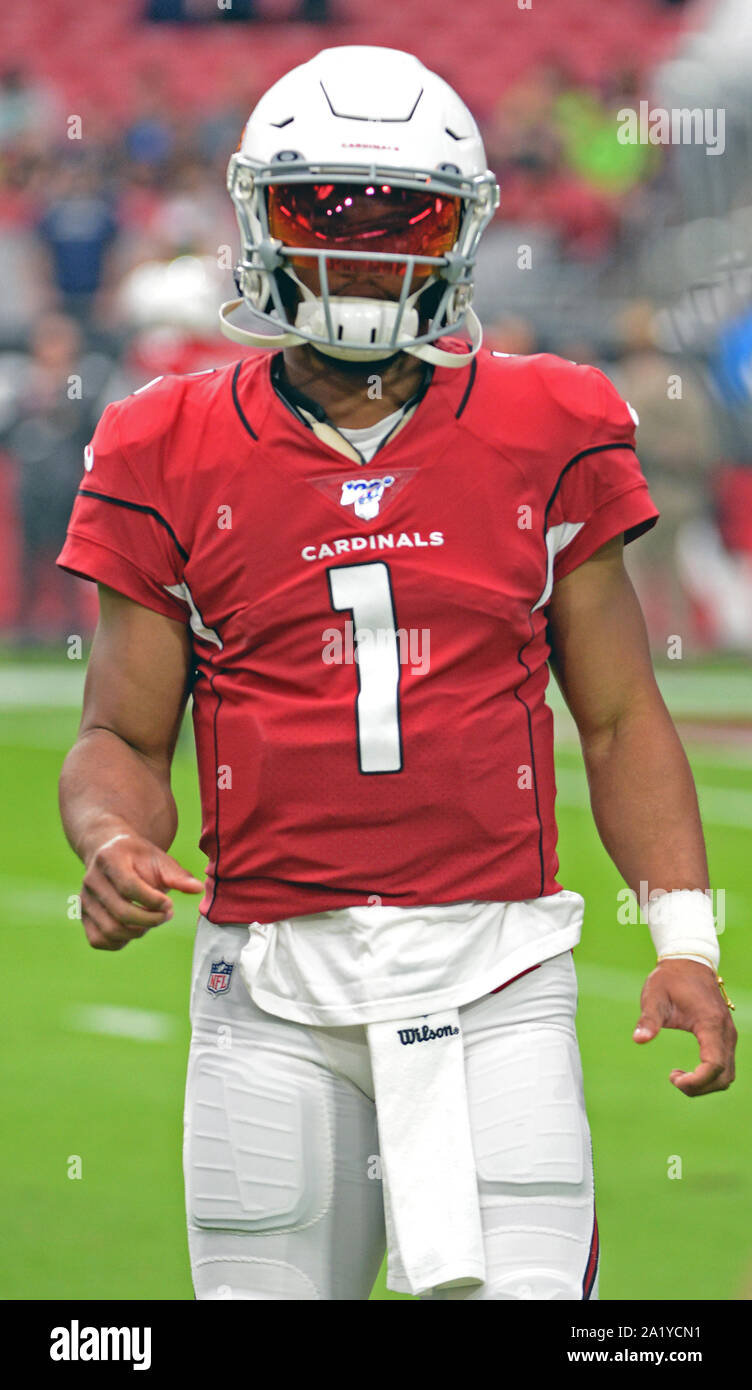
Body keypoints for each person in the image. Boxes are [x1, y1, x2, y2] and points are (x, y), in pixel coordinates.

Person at [57, 46, 736, 1302]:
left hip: (499, 974)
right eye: (327, 209)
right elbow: (122, 737)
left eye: (404, 215)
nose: (364, 249)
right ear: (262, 216)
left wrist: (685, 939)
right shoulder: (163, 439)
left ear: (461, 229)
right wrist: (108, 839)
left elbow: (619, 710)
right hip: (268, 987)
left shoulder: (551, 420)